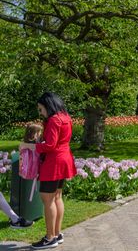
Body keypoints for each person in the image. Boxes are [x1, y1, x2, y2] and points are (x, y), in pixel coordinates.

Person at [19, 92, 77, 249]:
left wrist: (29, 146)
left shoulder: (53, 120)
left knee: (47, 199)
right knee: (57, 197)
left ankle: (50, 237)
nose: (41, 112)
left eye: (41, 108)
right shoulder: (65, 117)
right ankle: (57, 234)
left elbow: (50, 145)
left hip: (54, 163)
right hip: (64, 159)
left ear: (48, 105)